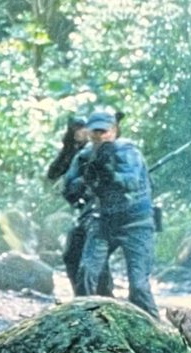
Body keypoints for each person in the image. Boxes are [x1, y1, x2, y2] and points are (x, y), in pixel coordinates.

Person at [63, 110, 158, 317]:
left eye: (103, 131)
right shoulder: (84, 157)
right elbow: (68, 188)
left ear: (113, 131)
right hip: (104, 222)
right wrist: (84, 180)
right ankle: (84, 322)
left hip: (137, 224)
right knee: (86, 274)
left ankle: (157, 333)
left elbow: (132, 182)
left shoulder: (127, 152)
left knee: (139, 287)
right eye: (94, 132)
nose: (99, 136)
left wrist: (110, 175)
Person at [48, 115, 113, 297]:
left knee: (94, 259)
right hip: (84, 211)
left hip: (102, 212)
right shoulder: (75, 152)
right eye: (75, 130)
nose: (79, 133)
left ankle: (103, 298)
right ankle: (84, 297)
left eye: (82, 129)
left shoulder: (104, 150)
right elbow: (55, 173)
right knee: (72, 255)